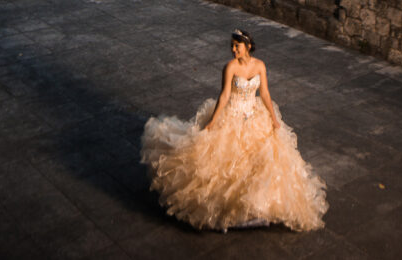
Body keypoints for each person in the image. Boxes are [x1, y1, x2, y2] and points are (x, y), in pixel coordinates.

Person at [140, 28, 328, 231]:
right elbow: (224, 96)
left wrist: (274, 118)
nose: (232, 50)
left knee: (264, 160)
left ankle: (258, 207)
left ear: (247, 46)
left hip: (255, 115)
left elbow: (264, 92)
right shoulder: (230, 67)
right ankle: (232, 209)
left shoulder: (260, 65)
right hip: (233, 116)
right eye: (231, 46)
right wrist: (212, 121)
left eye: (236, 46)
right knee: (226, 163)